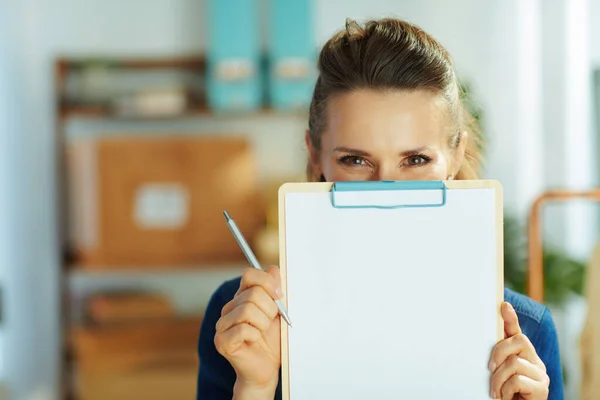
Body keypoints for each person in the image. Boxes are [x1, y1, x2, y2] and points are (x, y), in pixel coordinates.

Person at [196, 17, 564, 400]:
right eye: (356, 160)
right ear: (315, 155)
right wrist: (253, 386)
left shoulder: (526, 332)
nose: (386, 191)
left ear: (455, 157)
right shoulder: (241, 319)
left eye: (417, 160)